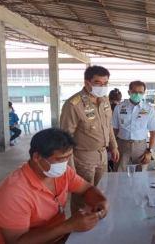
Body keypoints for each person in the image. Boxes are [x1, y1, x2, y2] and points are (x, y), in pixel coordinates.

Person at [0, 128, 109, 244]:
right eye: (59, 159)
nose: (64, 164)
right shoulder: (13, 193)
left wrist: (101, 202)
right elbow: (16, 241)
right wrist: (67, 226)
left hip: (57, 237)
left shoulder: (62, 173)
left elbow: (86, 189)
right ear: (37, 157)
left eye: (68, 157)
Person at [60, 65, 119, 214]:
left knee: (100, 194)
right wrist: (70, 166)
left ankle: (96, 226)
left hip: (102, 155)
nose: (102, 87)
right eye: (98, 83)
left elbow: (108, 125)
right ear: (87, 83)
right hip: (83, 158)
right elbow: (65, 137)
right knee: (83, 198)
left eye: (105, 83)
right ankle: (79, 230)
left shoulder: (104, 101)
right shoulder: (74, 104)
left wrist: (113, 146)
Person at [112, 80, 155, 172]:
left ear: (144, 93)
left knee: (140, 174)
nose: (138, 94)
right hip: (122, 145)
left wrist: (149, 152)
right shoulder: (119, 107)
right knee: (119, 173)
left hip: (140, 146)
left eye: (141, 92)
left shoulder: (148, 109)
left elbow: (153, 132)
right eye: (135, 92)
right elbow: (114, 129)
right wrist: (113, 147)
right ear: (129, 92)